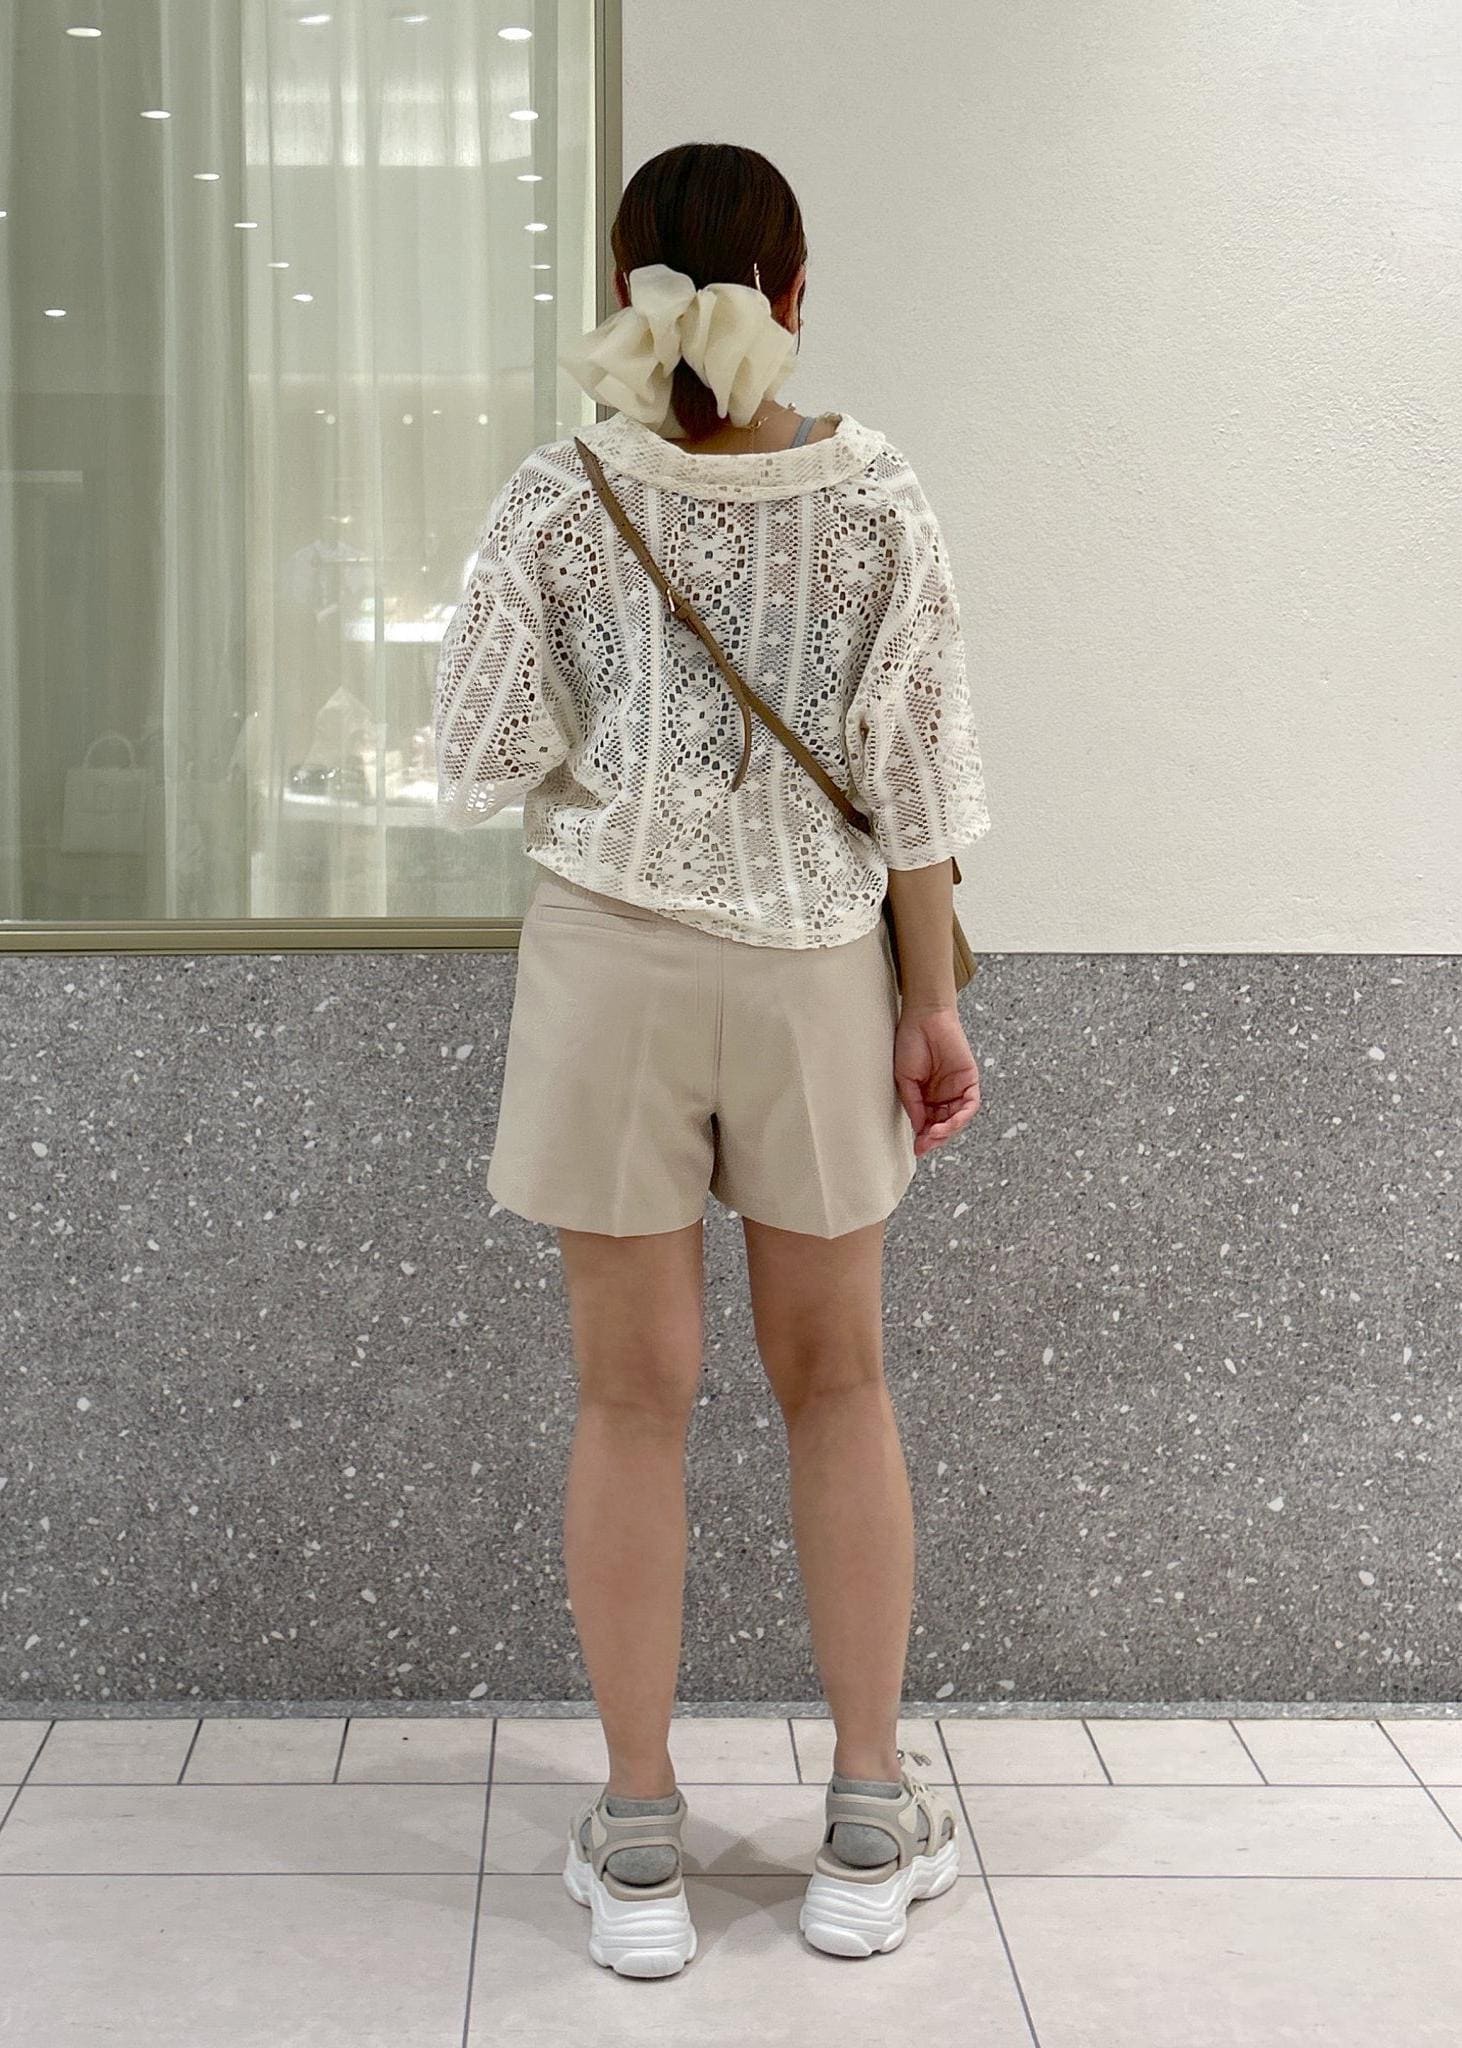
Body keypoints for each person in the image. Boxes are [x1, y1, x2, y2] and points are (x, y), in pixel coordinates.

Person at [433, 141, 990, 1975]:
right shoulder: (874, 489)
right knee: (838, 1382)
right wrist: (929, 1002)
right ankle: (864, 1815)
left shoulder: (559, 490)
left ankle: (641, 1840)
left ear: (625, 289)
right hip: (817, 965)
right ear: (795, 286)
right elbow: (913, 781)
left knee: (627, 1400)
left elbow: (479, 752)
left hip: (609, 966)